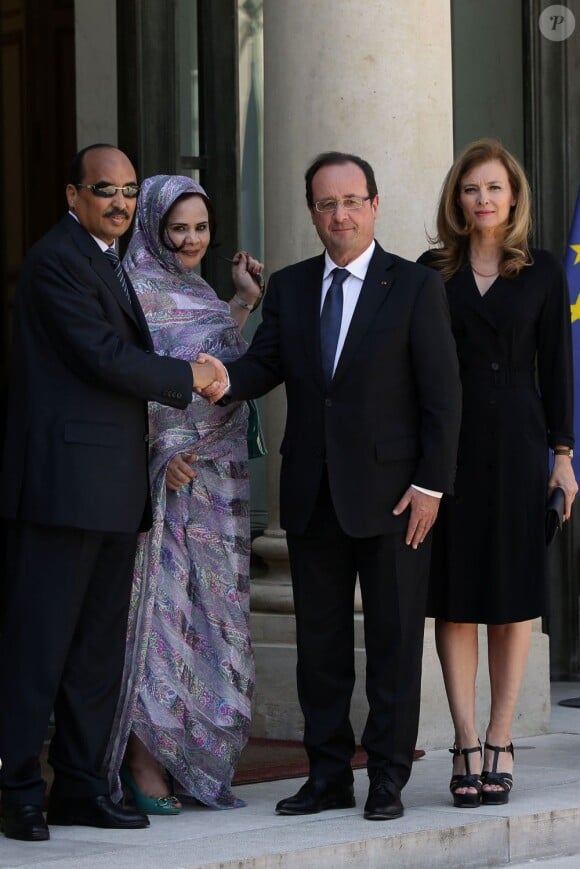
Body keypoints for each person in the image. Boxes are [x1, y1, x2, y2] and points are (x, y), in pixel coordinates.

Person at [198, 151, 462, 820]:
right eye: (325, 203)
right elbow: (262, 365)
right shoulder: (288, 287)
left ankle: (388, 778)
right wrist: (222, 379)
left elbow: (443, 395)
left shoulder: (413, 286)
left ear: (373, 205)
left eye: (351, 201)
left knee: (395, 645)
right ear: (312, 212)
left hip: (398, 497)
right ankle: (327, 775)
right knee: (321, 647)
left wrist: (432, 483)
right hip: (313, 492)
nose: (339, 214)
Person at [0, 145, 222, 842]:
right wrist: (190, 377)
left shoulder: (107, 259)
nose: (121, 203)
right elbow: (100, 354)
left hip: (111, 489)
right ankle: (16, 791)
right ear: (73, 194)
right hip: (62, 490)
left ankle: (81, 784)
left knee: (97, 650)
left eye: (129, 191)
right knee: (40, 646)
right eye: (106, 189)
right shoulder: (55, 261)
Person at [417, 138, 578, 808]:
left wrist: (564, 457)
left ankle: (501, 736)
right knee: (456, 600)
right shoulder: (430, 271)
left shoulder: (541, 271)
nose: (482, 199)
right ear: (456, 200)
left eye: (493, 188)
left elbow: (558, 368)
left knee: (512, 602)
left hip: (519, 443)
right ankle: (463, 741)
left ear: (514, 198)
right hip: (449, 448)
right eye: (470, 188)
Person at [105, 175, 262, 812]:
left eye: (200, 227)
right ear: (152, 228)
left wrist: (242, 304)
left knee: (212, 620)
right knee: (162, 620)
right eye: (179, 228)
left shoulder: (196, 290)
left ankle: (194, 756)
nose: (192, 239)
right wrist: (163, 450)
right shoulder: (132, 292)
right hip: (169, 483)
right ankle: (144, 763)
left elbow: (218, 365)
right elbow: (128, 380)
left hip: (221, 483)